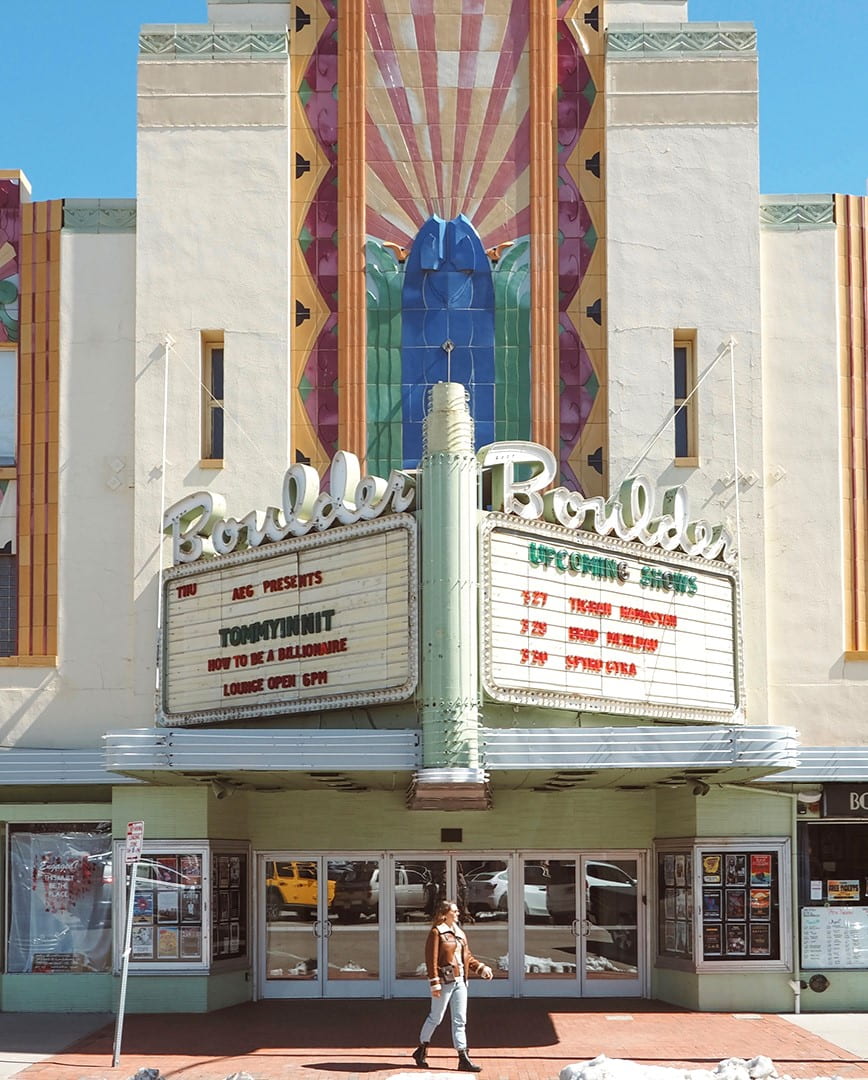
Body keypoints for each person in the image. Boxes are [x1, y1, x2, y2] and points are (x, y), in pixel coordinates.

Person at [412, 899, 494, 1072]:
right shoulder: (437, 933)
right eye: (454, 911)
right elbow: (431, 960)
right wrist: (434, 983)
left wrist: (481, 969)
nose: (457, 913)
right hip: (445, 982)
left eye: (457, 911)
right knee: (436, 1017)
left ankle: (463, 1058)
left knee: (460, 1020)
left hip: (461, 981)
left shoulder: (459, 933)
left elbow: (468, 957)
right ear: (444, 914)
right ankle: (421, 1049)